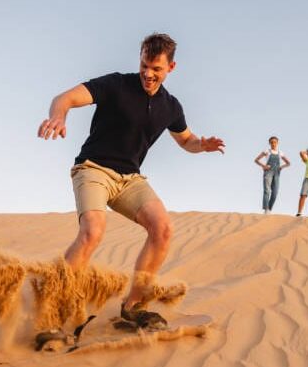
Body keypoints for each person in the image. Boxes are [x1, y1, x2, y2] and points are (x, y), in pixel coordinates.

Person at [37, 33, 225, 325]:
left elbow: (186, 140)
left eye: (156, 69)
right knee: (93, 231)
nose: (148, 74)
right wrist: (59, 116)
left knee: (162, 229)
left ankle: (133, 306)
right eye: (144, 66)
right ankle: (51, 312)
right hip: (94, 168)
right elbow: (65, 98)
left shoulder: (171, 107)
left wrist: (203, 145)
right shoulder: (116, 84)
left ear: (170, 68)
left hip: (130, 179)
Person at [254, 136, 290, 214]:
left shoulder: (280, 152)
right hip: (268, 172)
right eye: (272, 142)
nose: (273, 144)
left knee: (275, 192)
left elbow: (288, 163)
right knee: (267, 191)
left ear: (277, 143)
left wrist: (281, 167)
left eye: (275, 142)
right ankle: (266, 209)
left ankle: (269, 208)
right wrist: (263, 166)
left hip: (277, 173)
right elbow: (256, 160)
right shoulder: (267, 151)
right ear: (269, 143)